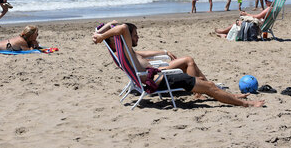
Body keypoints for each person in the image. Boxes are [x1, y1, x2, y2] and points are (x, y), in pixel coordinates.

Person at [93, 22, 265, 107]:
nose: (134, 38)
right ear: (119, 40)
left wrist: (101, 32)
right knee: (209, 85)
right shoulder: (124, 49)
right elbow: (122, 27)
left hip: (157, 77)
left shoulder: (121, 52)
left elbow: (116, 24)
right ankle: (246, 104)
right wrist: (101, 37)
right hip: (162, 80)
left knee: (207, 84)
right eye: (133, 35)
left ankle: (232, 97)